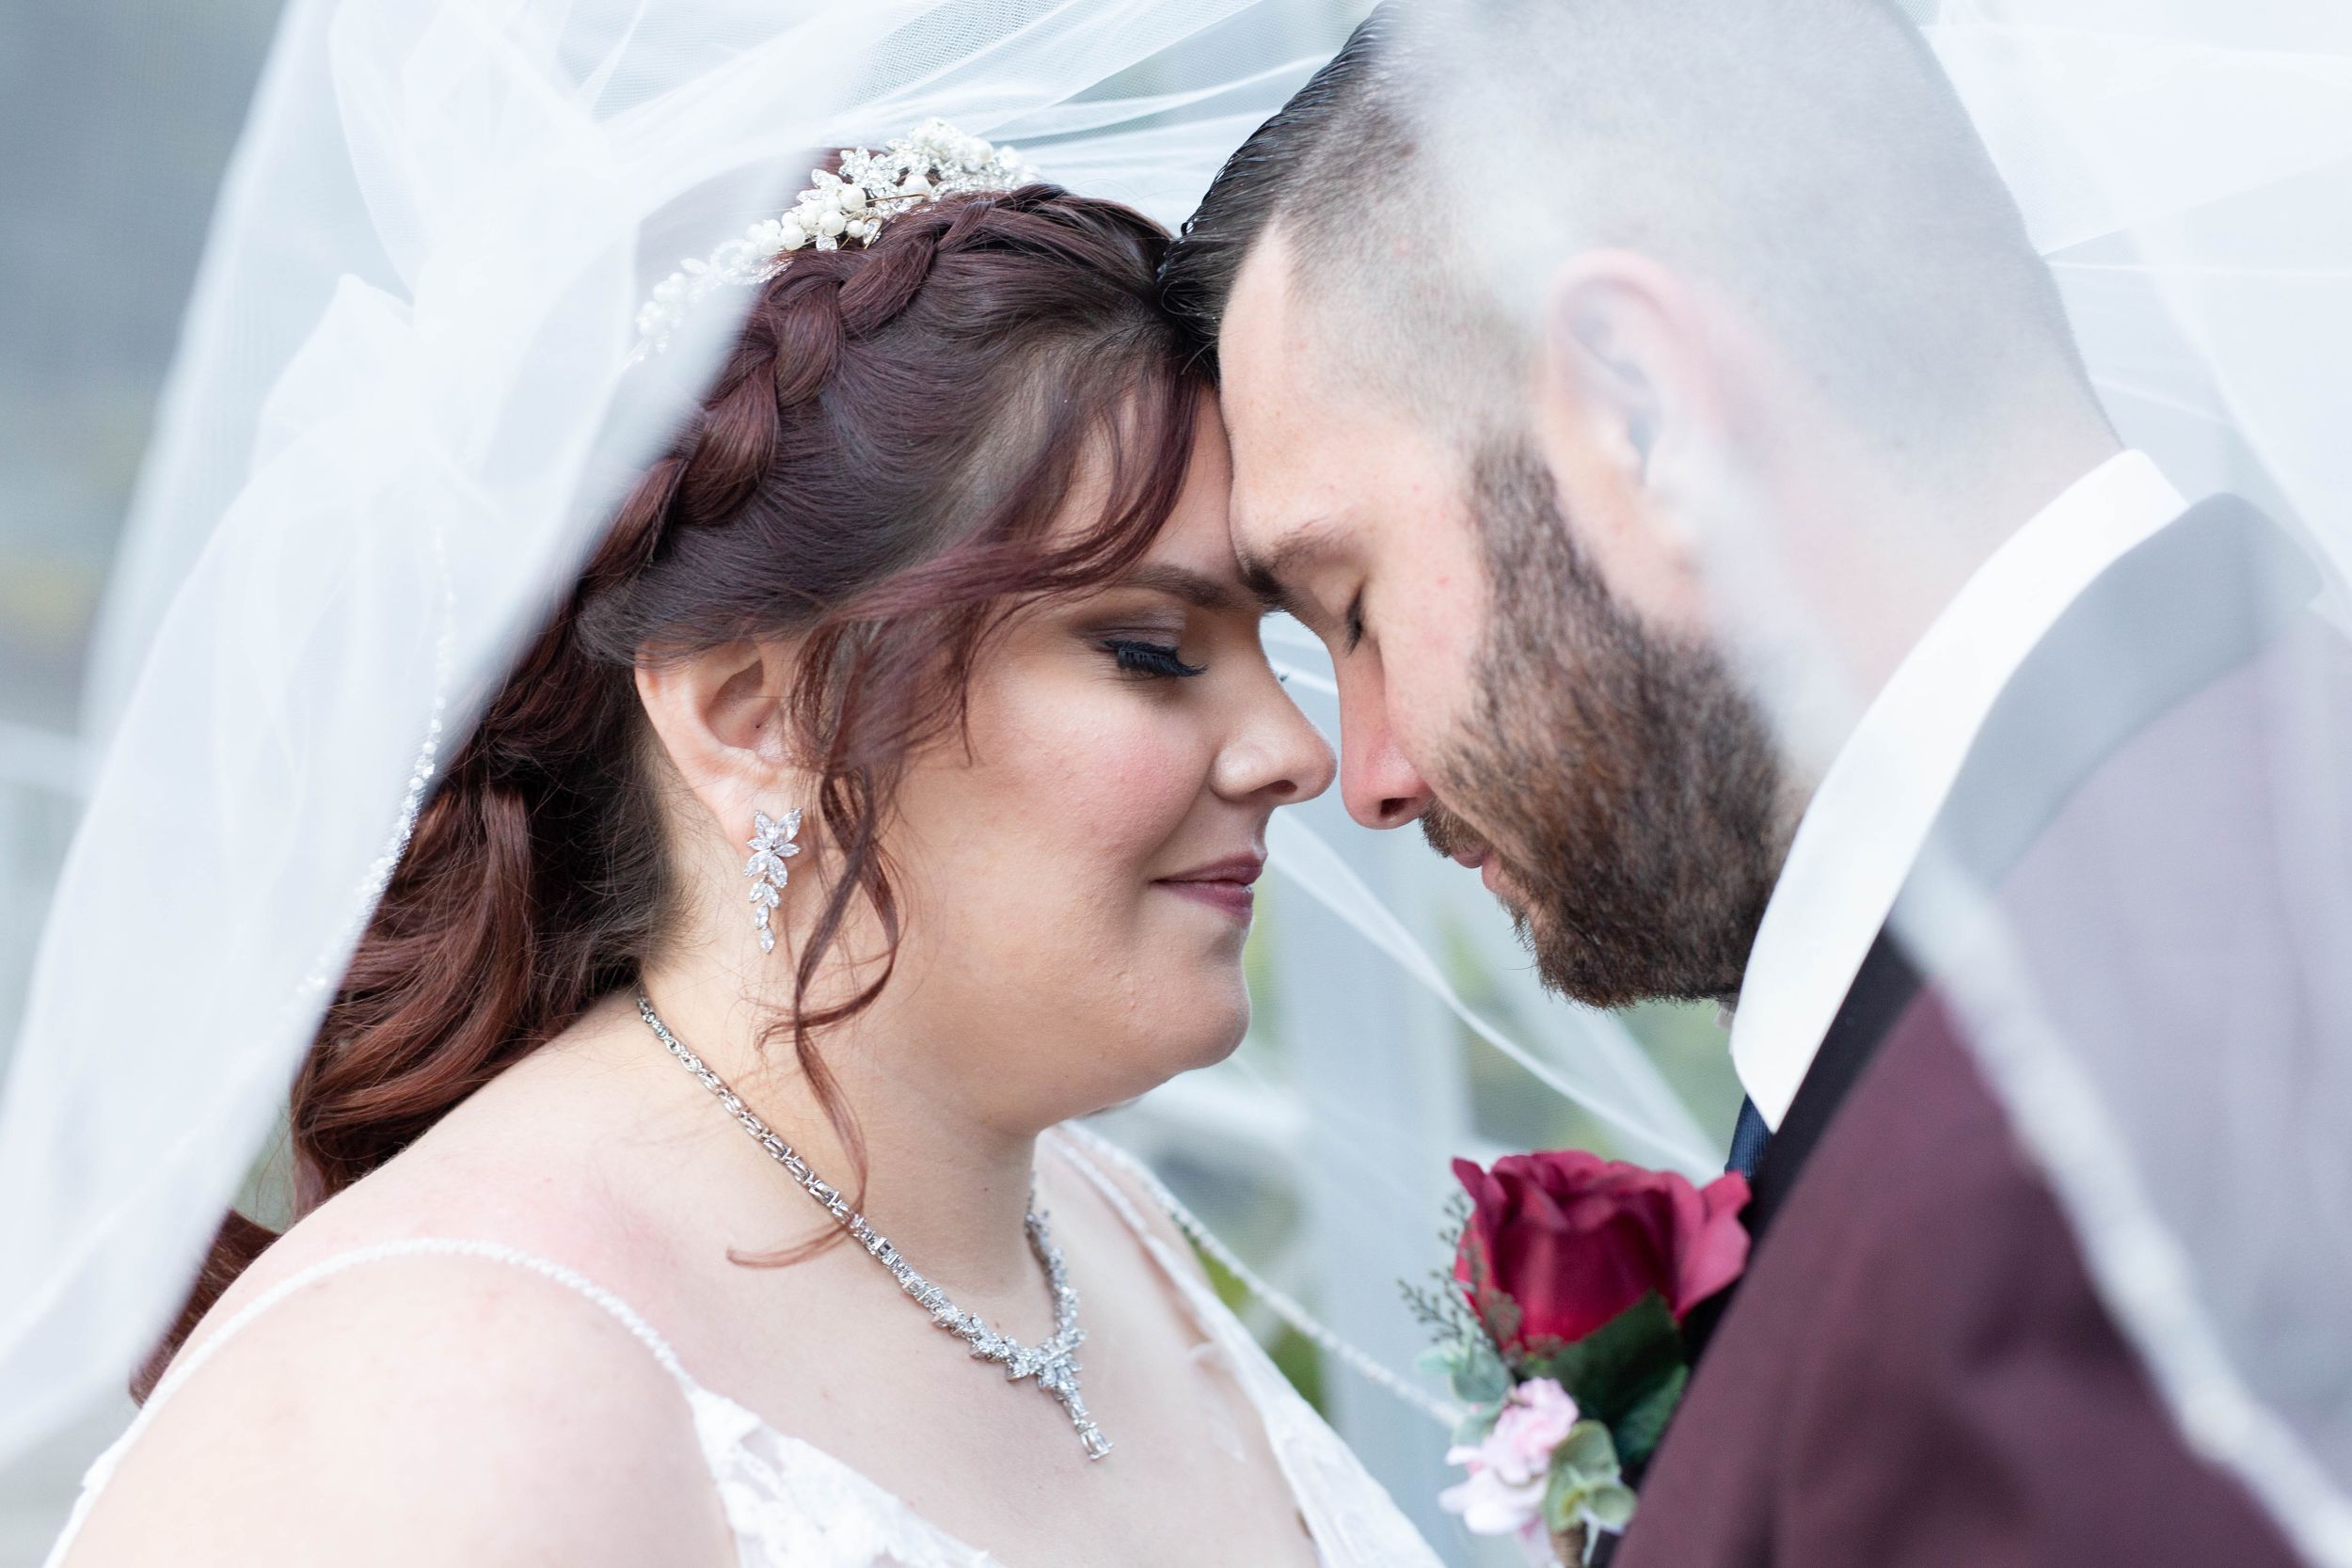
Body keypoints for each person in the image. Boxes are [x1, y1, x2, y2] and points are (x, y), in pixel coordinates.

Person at [44, 140, 1450, 1568]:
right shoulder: (436, 1404)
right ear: (752, 715)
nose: (1299, 750)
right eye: (1150, 649)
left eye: (1269, 642)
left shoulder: (1099, 1226)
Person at [1166, 0, 2341, 1562]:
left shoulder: (2019, 1225)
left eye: (1354, 606)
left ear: (1642, 415)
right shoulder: (2256, 820)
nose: (1366, 775)